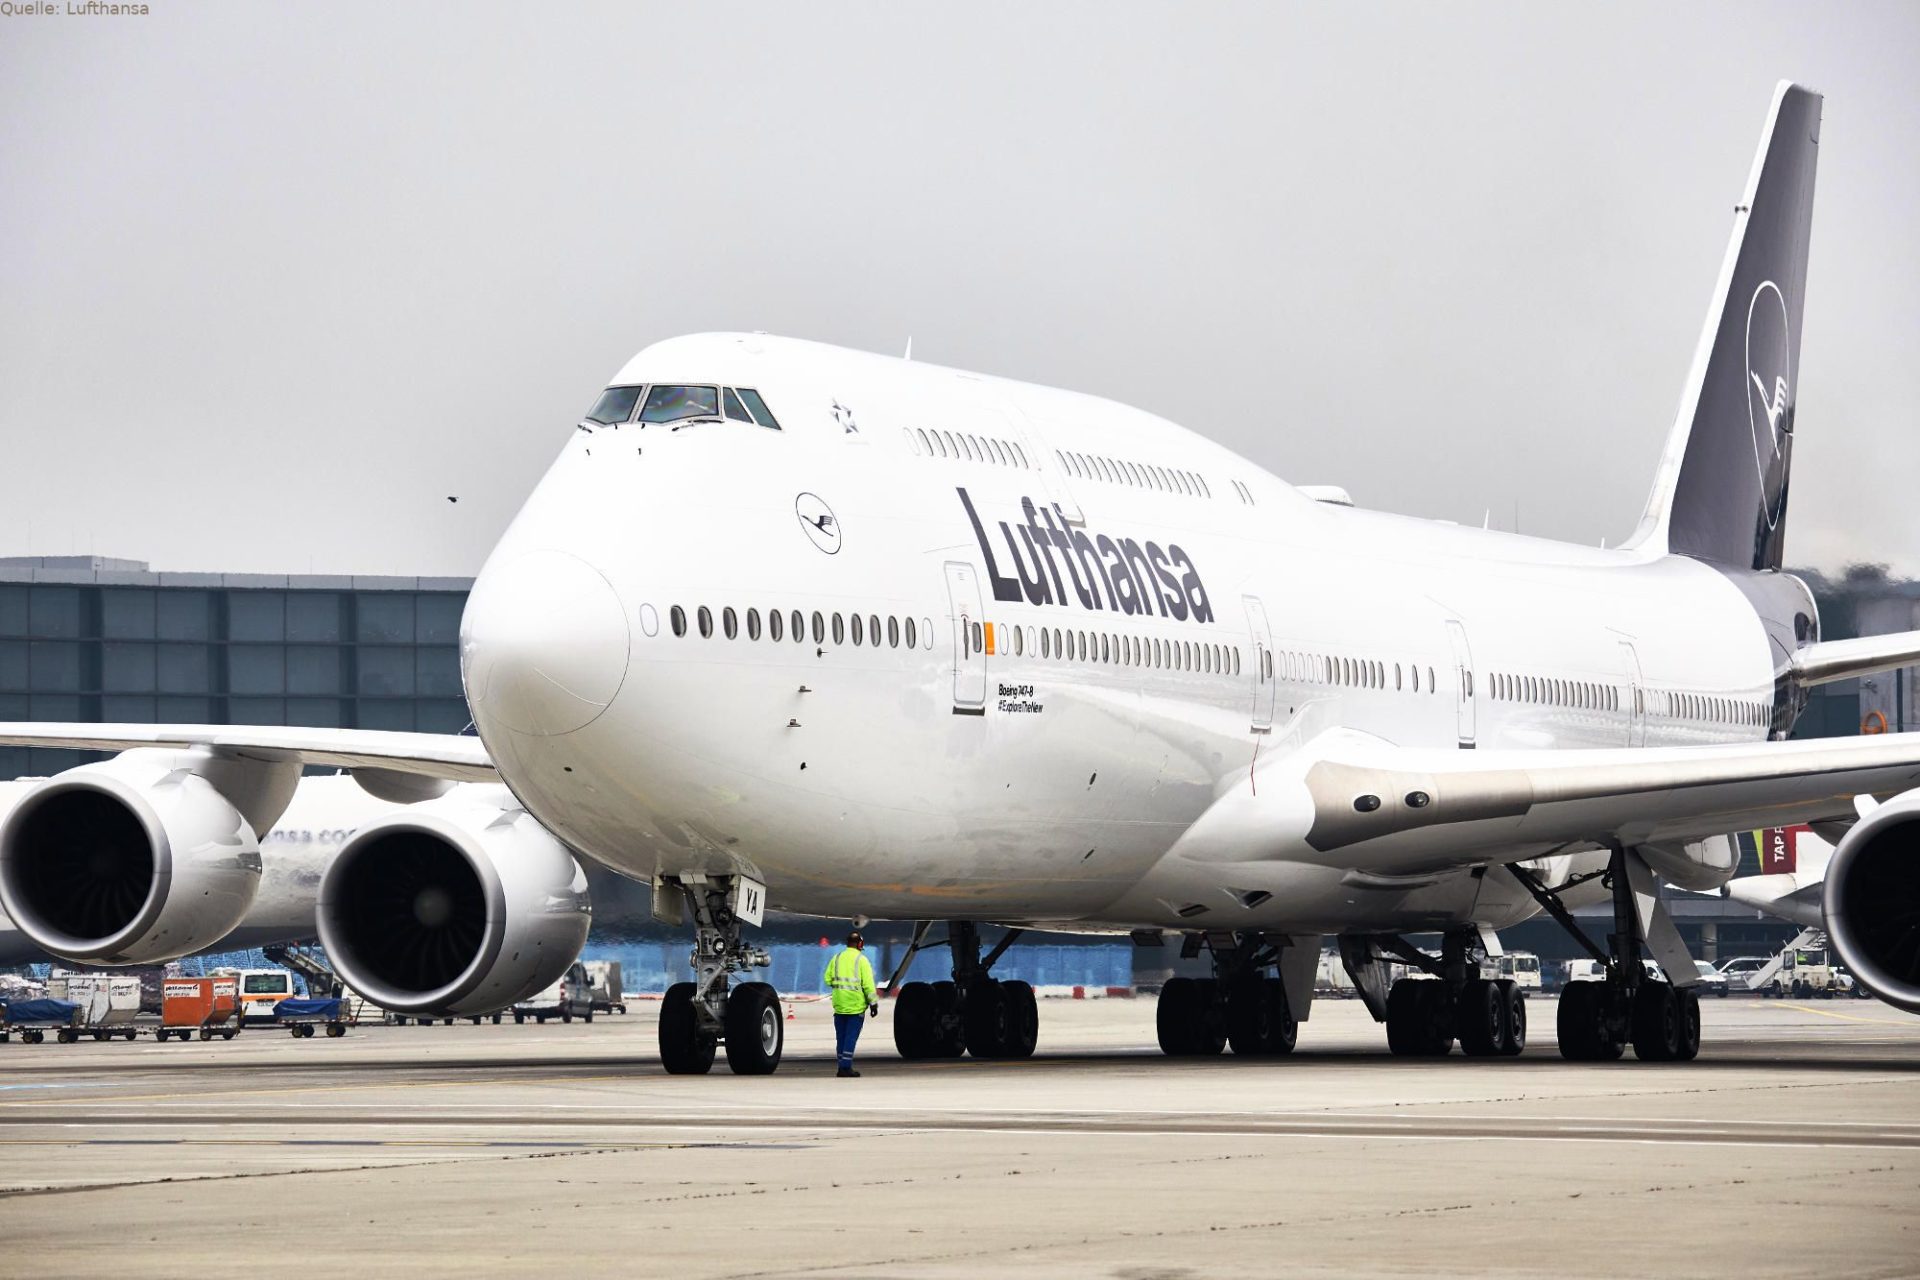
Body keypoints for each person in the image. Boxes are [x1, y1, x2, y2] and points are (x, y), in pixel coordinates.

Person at [823, 930, 878, 1077]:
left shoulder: (837, 958)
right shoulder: (862, 960)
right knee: (850, 1038)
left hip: (839, 1004)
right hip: (855, 1006)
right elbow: (868, 985)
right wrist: (873, 1004)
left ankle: (842, 1065)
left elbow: (827, 979)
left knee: (840, 1037)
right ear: (860, 944)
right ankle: (845, 1067)